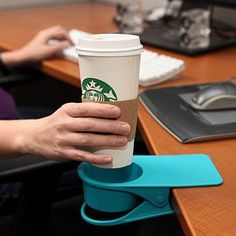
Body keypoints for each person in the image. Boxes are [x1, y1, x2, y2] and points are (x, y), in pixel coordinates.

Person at [0, 25, 130, 215]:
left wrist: (14, 57)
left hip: (13, 120)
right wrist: (26, 136)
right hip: (9, 162)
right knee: (133, 156)